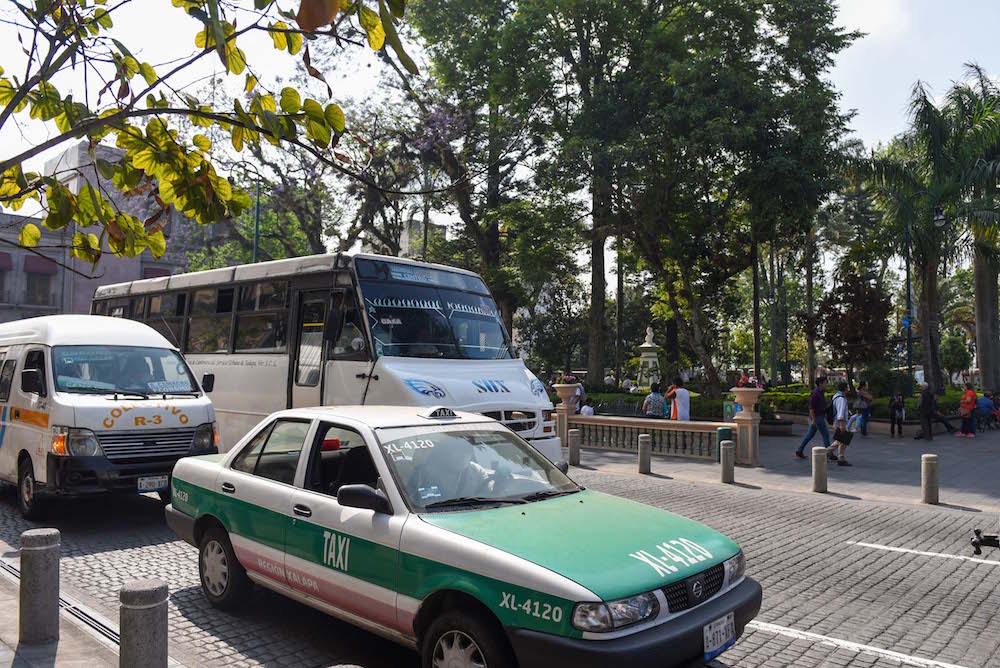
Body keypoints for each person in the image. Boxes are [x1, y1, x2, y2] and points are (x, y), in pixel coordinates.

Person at [795, 376, 831, 458]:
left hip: (819, 416)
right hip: (818, 417)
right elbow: (811, 408)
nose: (826, 385)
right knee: (825, 434)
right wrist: (814, 419)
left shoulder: (821, 392)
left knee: (810, 435)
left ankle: (799, 450)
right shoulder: (815, 393)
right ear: (820, 384)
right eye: (825, 383)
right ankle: (829, 452)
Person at [828, 381, 852, 466]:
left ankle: (827, 452)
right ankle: (841, 458)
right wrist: (842, 425)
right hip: (839, 422)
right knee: (843, 440)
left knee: (840, 440)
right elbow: (840, 412)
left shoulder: (836, 397)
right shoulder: (841, 399)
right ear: (845, 389)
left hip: (837, 421)